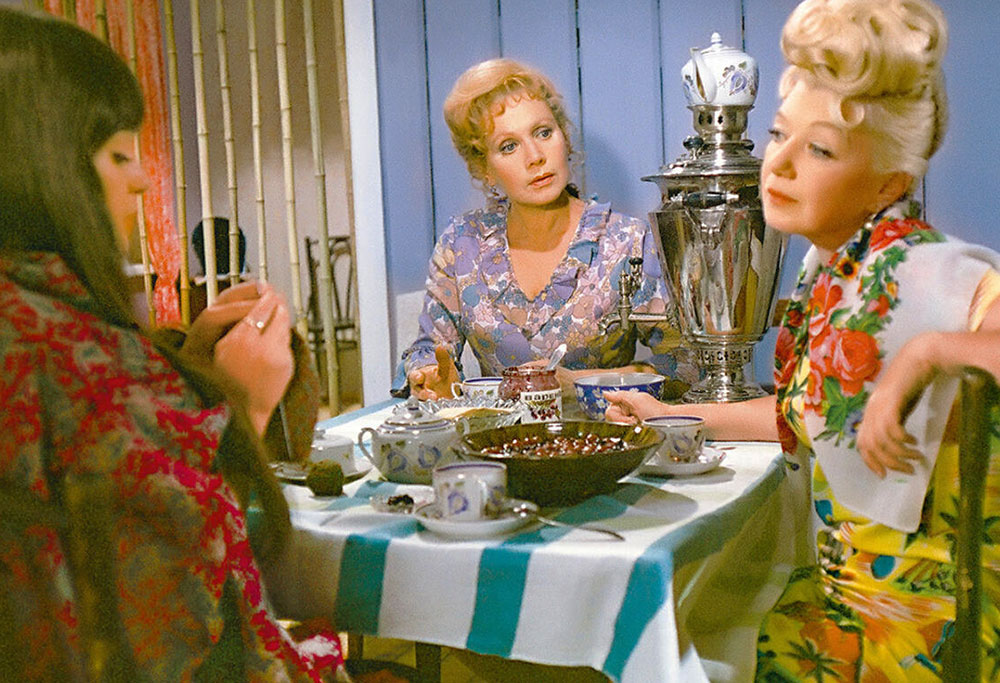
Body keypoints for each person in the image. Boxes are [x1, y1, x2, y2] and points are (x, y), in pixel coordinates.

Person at [605, 0, 1000, 679]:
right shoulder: (832, 270)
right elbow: (803, 412)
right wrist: (667, 414)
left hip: (935, 625)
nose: (779, 164)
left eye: (819, 149)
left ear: (889, 181)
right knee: (678, 634)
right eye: (780, 135)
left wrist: (925, 353)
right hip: (843, 601)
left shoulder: (926, 266)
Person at [0, 9, 349, 680]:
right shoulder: (64, 352)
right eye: (118, 155)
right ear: (38, 165)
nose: (141, 179)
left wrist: (186, 370)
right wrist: (241, 405)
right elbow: (170, 620)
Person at [399, 57, 696, 400]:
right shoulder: (462, 244)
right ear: (485, 169)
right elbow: (429, 350)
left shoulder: (628, 242)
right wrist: (430, 377)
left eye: (543, 132)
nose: (535, 156)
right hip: (497, 433)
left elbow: (685, 365)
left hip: (601, 430)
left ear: (564, 138)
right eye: (509, 146)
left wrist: (582, 383)